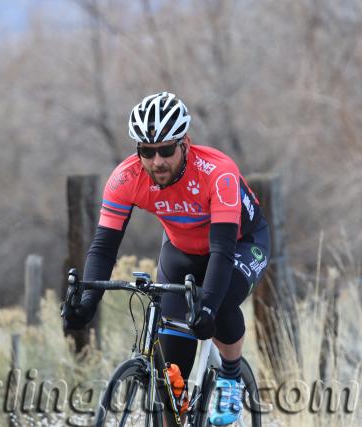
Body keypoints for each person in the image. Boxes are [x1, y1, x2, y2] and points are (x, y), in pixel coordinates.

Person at [62, 92, 270, 425]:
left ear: (185, 143)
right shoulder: (126, 179)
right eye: (147, 151)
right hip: (182, 251)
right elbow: (103, 248)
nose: (157, 161)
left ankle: (230, 376)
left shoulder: (218, 173)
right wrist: (88, 302)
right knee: (171, 391)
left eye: (166, 150)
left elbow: (222, 250)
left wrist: (207, 307)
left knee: (221, 299)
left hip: (242, 243)